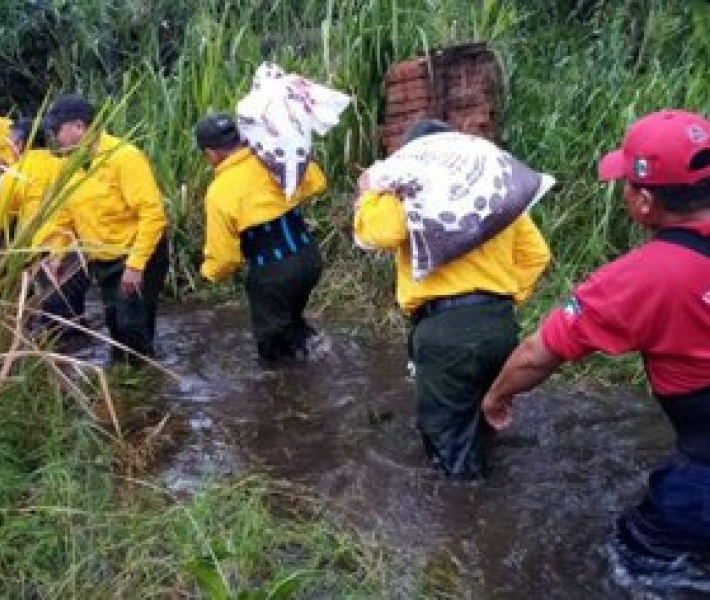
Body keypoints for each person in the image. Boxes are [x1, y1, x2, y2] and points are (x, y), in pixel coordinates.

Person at [481, 109, 710, 592]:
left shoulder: (640, 279)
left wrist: (495, 397)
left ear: (645, 201)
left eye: (625, 184)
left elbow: (537, 353)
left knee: (638, 563)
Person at [353, 119, 551, 480]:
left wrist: (369, 190)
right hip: (500, 323)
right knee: (483, 417)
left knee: (449, 445)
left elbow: (377, 234)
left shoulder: (415, 197)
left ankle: (464, 522)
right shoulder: (496, 198)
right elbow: (536, 255)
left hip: (444, 330)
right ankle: (493, 493)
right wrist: (500, 301)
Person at [41, 94, 169, 363]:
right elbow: (63, 217)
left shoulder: (124, 157)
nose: (54, 137)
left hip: (138, 251)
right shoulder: (69, 165)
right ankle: (127, 385)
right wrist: (57, 253)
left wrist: (135, 266)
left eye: (57, 130)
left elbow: (152, 214)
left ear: (79, 126)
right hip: (103, 258)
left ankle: (147, 386)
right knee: (115, 327)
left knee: (133, 327)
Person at [194, 112, 327, 366]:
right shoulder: (272, 159)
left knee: (272, 348)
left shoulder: (219, 191)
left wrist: (210, 273)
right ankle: (315, 364)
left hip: (273, 274)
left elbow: (225, 258)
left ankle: (291, 395)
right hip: (310, 259)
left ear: (211, 154)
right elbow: (317, 182)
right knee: (291, 320)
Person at [0, 117, 90, 335]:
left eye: (9, 143)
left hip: (46, 250)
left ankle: (58, 363)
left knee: (54, 319)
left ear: (21, 144)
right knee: (75, 314)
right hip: (80, 248)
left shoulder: (19, 170)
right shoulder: (69, 164)